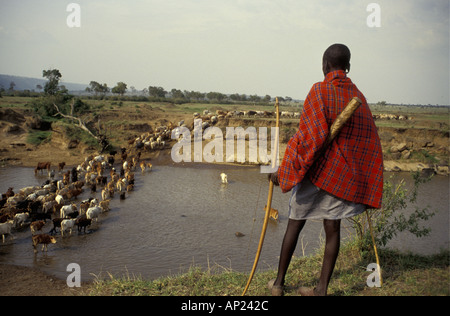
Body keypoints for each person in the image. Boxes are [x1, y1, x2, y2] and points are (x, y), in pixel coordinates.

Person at [268, 43, 383, 296]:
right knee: (333, 229)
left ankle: (278, 284)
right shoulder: (359, 96)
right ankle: (321, 290)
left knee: (294, 224)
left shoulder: (319, 91)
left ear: (324, 65)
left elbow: (307, 140)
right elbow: (368, 141)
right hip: (342, 176)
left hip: (316, 173)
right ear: (348, 67)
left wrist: (284, 171)